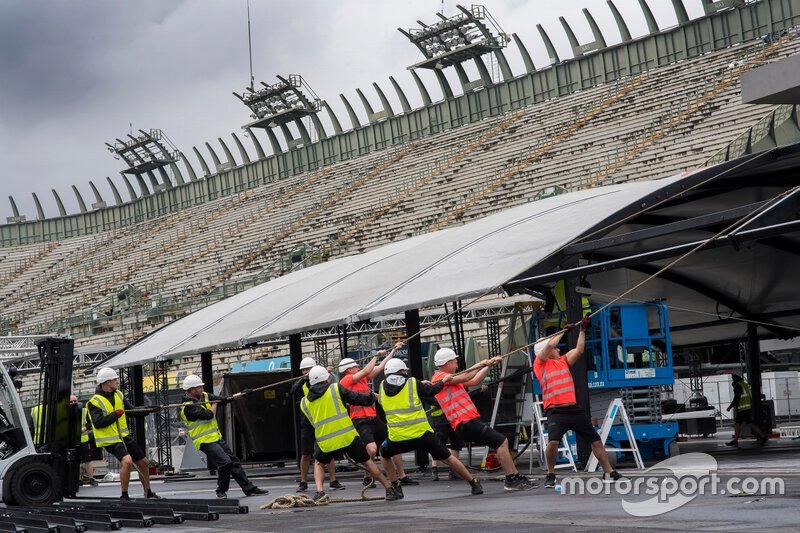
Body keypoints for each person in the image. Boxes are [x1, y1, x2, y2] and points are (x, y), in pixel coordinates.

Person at [533, 317, 623, 488]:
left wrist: (582, 330)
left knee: (595, 440)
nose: (559, 349)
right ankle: (550, 474)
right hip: (556, 412)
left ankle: (609, 471)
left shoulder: (563, 361)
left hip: (574, 410)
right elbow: (551, 346)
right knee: (553, 442)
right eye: (555, 348)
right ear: (544, 350)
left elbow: (579, 350)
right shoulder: (540, 364)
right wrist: (563, 331)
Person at [432, 348, 536, 491]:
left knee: (501, 443)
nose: (457, 364)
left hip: (467, 423)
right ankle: (511, 479)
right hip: (465, 423)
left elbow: (475, 380)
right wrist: (482, 363)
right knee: (502, 442)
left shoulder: (450, 379)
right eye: (455, 361)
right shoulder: (440, 378)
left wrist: (488, 365)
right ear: (447, 362)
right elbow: (466, 376)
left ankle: (515, 476)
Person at [377, 359, 483, 497]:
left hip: (397, 438)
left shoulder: (381, 386)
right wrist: (444, 381)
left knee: (384, 453)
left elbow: (383, 402)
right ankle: (473, 482)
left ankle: (395, 487)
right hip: (423, 435)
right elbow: (432, 391)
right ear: (402, 371)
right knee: (448, 457)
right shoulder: (413, 382)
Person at [299, 366, 398, 502]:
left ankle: (320, 492)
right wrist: (370, 397)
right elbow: (356, 398)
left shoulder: (304, 402)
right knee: (367, 462)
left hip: (325, 441)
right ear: (327, 378)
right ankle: (389, 488)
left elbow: (312, 423)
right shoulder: (335, 388)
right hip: (348, 437)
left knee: (319, 464)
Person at [338, 342, 417, 488]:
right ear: (348, 370)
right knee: (372, 449)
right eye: (355, 366)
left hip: (374, 419)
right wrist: (375, 356)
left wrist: (392, 351)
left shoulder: (361, 378)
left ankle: (402, 476)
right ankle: (368, 477)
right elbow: (367, 370)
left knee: (394, 445)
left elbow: (380, 368)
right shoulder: (346, 380)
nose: (358, 367)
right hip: (360, 421)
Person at [180, 375, 268, 498]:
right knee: (225, 463)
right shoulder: (188, 407)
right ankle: (221, 491)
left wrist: (241, 395)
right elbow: (209, 414)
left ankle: (249, 488)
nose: (202, 389)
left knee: (234, 462)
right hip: (204, 441)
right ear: (191, 390)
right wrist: (214, 403)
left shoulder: (204, 396)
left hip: (216, 438)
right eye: (199, 387)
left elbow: (224, 399)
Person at [87, 367, 162, 501]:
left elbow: (131, 411)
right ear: (106, 382)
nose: (117, 381)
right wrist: (115, 415)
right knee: (127, 461)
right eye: (115, 379)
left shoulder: (119, 395)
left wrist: (149, 409)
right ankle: (124, 495)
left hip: (124, 436)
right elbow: (98, 423)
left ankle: (148, 492)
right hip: (110, 440)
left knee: (144, 462)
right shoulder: (94, 401)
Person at [290, 356, 344, 492]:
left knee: (328, 449)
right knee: (306, 453)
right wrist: (304, 378)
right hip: (307, 422)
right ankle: (303, 481)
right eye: (303, 370)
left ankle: (333, 480)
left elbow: (336, 383)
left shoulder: (324, 380)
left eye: (307, 369)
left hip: (322, 421)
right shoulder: (302, 383)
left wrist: (328, 373)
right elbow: (293, 391)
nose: (305, 372)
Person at [725, 373, 768, 446]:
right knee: (749, 423)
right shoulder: (745, 384)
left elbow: (737, 398)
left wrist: (730, 406)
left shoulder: (737, 386)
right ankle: (763, 436)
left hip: (742, 408)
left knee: (738, 424)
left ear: (735, 380)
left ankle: (735, 440)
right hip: (747, 407)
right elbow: (750, 396)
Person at [75, 395, 99, 486]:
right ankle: (79, 479)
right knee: (76, 461)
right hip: (73, 441)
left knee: (87, 460)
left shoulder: (84, 411)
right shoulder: (67, 412)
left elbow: (90, 423)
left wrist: (85, 428)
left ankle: (91, 478)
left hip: (84, 439)